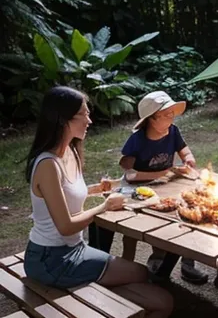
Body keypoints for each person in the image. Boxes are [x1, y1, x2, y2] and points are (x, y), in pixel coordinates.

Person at [24, 86, 173, 318]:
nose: (90, 120)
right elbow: (65, 226)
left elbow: (67, 194)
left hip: (73, 249)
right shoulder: (47, 164)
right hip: (50, 259)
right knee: (140, 274)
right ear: (63, 120)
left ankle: (100, 296)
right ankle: (95, 298)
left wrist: (103, 187)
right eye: (84, 114)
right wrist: (104, 206)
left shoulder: (70, 151)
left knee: (158, 294)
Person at [120, 90, 208, 285]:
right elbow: (129, 173)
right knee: (152, 223)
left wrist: (188, 159)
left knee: (187, 212)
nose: (172, 117)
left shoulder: (173, 131)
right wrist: (161, 174)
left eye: (172, 114)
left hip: (167, 183)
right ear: (152, 118)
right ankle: (154, 260)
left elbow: (184, 150)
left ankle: (188, 263)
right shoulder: (138, 139)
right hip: (142, 188)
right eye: (167, 114)